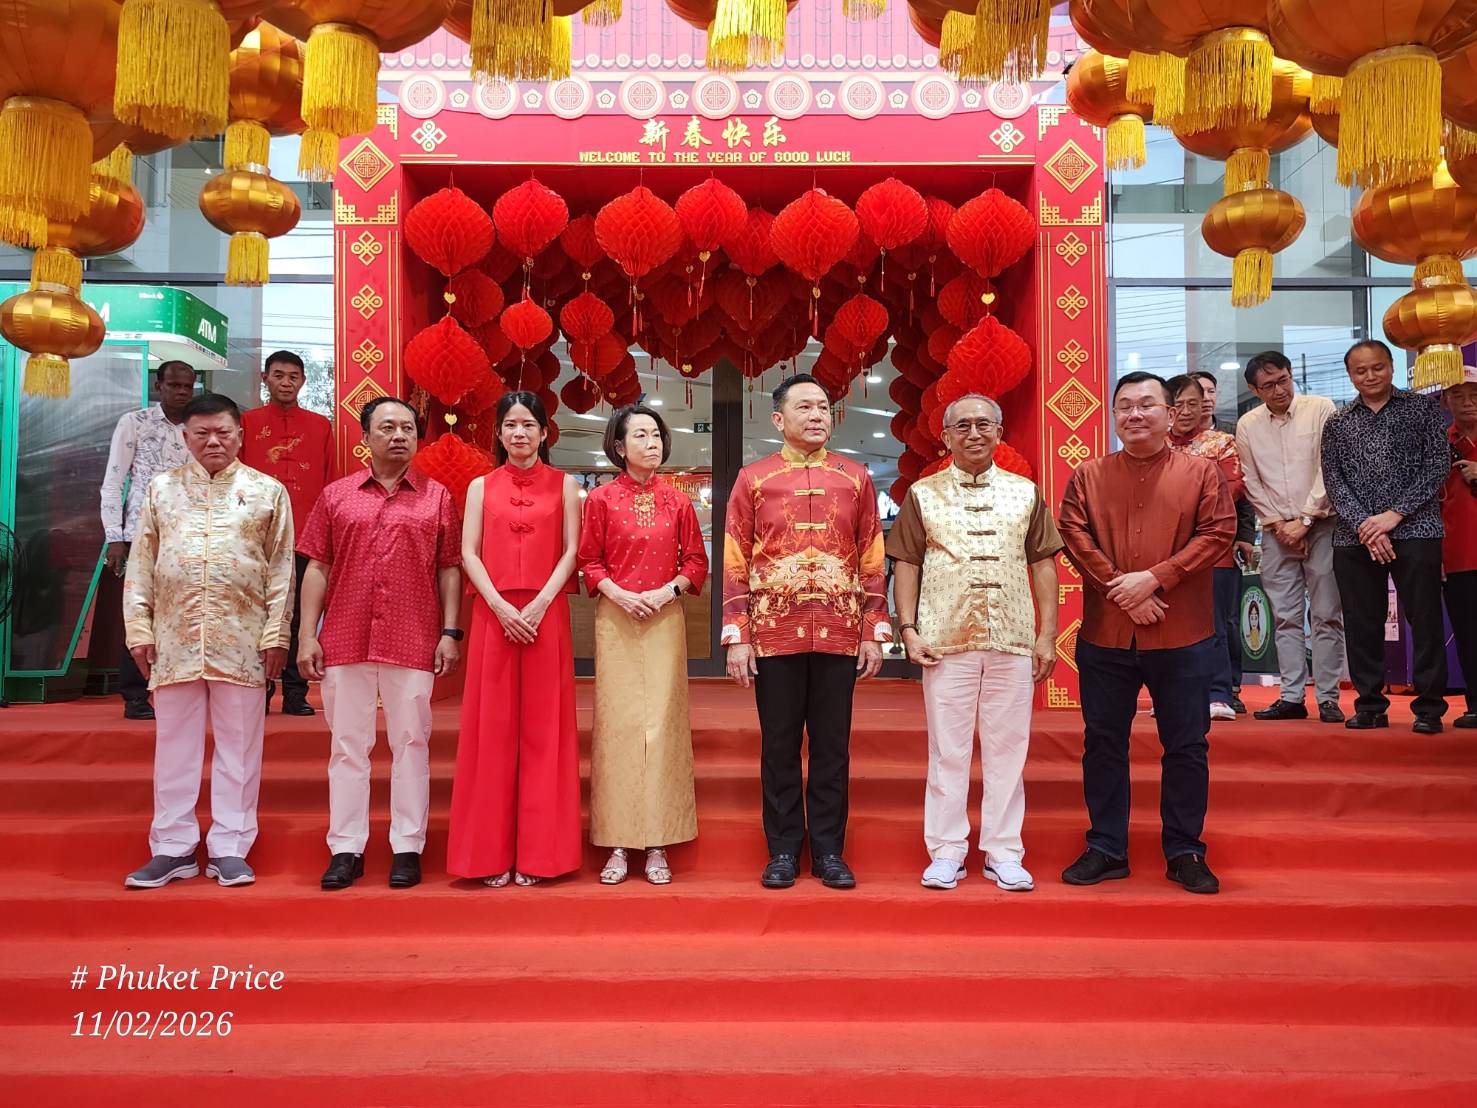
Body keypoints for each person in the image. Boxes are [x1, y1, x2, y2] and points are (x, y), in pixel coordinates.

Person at [1057, 371, 1236, 896]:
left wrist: (1155, 578)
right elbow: (1073, 534)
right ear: (1114, 415)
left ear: (1170, 413)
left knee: (1187, 745)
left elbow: (1219, 533)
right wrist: (1124, 589)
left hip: (1182, 633)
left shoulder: (1202, 473)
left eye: (1147, 404)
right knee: (1102, 743)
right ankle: (1106, 847)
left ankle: (1184, 851)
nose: (1135, 414)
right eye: (1125, 406)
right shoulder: (1088, 475)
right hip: (1106, 634)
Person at [886, 394, 1062, 893]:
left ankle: (1004, 851)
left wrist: (1046, 635)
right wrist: (908, 629)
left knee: (1009, 748)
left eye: (984, 424)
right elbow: (907, 564)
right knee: (948, 749)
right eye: (962, 426)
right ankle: (947, 850)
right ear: (946, 437)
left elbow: (1043, 564)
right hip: (945, 639)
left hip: (1012, 637)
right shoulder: (923, 494)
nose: (974, 433)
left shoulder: (1025, 493)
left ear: (999, 432)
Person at [723, 373, 891, 891]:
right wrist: (738, 635)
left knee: (832, 746)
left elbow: (872, 556)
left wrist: (873, 629)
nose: (817, 415)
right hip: (774, 632)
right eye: (805, 407)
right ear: (779, 419)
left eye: (823, 406)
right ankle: (781, 850)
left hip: (840, 631)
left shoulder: (855, 477)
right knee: (778, 745)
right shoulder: (754, 479)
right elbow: (735, 559)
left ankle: (829, 851)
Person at [121, 393, 294, 889]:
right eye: (202, 434)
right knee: (174, 746)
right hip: (173, 639)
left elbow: (281, 569)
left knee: (239, 747)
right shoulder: (161, 490)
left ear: (241, 434)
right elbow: (141, 564)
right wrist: (139, 628)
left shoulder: (267, 492)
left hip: (242, 640)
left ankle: (230, 847)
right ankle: (172, 847)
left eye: (223, 432)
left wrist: (276, 633)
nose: (213, 441)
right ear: (186, 437)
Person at [298, 397, 462, 891]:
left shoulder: (437, 497)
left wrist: (450, 632)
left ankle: (407, 846)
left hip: (413, 635)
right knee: (348, 746)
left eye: (408, 428)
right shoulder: (337, 496)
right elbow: (318, 567)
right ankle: (345, 849)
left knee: (411, 743)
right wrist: (307, 634)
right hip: (345, 635)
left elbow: (449, 568)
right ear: (365, 437)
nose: (399, 436)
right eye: (387, 427)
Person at [448, 391, 582, 887]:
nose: (519, 433)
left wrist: (541, 603)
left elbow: (572, 551)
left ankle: (541, 857)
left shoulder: (566, 485)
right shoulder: (480, 487)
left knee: (546, 733)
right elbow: (469, 552)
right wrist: (500, 606)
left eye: (528, 424)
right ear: (499, 433)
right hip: (494, 615)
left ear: (545, 433)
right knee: (492, 733)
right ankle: (487, 856)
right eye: (510, 425)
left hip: (547, 615)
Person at [578, 404, 709, 886]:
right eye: (640, 435)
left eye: (656, 435)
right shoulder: (600, 500)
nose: (651, 443)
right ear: (619, 446)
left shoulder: (678, 501)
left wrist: (665, 592)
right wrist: (620, 594)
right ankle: (617, 840)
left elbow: (695, 562)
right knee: (618, 727)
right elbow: (589, 562)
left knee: (664, 725)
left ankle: (658, 841)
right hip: (616, 617)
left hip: (664, 617)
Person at [1322, 340, 1449, 734]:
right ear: (1350, 375)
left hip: (1416, 528)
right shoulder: (1338, 422)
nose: (1370, 376)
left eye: (1377, 367)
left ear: (1391, 366)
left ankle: (1429, 708)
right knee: (1362, 622)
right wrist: (1366, 524)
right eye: (1360, 370)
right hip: (1355, 536)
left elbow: (1437, 465)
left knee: (1424, 618)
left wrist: (1395, 515)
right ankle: (1370, 705)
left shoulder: (1423, 408)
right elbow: (1333, 480)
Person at [1234, 350, 1344, 723]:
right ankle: (1292, 696)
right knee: (1285, 617)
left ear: (1291, 373)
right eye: (1268, 386)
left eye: (1283, 380)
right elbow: (1250, 479)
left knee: (1327, 614)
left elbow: (1330, 467)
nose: (1279, 390)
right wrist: (1280, 525)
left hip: (1323, 525)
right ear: (1254, 390)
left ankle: (1328, 698)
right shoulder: (1248, 424)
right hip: (1276, 531)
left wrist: (1306, 520)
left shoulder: (1321, 408)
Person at [100, 359, 197, 720]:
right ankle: (135, 696)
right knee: (139, 612)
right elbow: (113, 482)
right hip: (140, 534)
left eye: (187, 386)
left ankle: (180, 691)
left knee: (184, 612)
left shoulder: (199, 427)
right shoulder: (135, 422)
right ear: (159, 386)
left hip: (190, 535)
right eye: (174, 385)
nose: (182, 392)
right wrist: (114, 537)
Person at [241, 350, 334, 716]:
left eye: (293, 376)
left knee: (298, 614)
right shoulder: (247, 422)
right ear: (265, 378)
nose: (286, 382)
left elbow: (330, 480)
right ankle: (258, 690)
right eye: (278, 375)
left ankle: (295, 692)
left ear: (303, 381)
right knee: (256, 611)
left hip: (305, 533)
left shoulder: (319, 425)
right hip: (256, 535)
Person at [1167, 375, 1246, 722]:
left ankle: (1219, 692)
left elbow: (1231, 489)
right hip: (1164, 550)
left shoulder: (1222, 443)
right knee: (1170, 624)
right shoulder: (1155, 445)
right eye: (1177, 404)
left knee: (1214, 623)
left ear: (1204, 405)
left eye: (1192, 403)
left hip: (1213, 548)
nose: (1185, 411)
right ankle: (1172, 694)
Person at [1192, 368, 1257, 711]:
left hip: (1222, 539)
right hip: (1177, 544)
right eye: (1196, 393)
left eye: (1210, 391)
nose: (1205, 399)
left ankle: (1229, 686)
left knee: (1226, 619)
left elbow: (1243, 492)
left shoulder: (1230, 436)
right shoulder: (1166, 441)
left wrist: (1244, 535)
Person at [1443, 367, 1477, 729]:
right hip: (1458, 557)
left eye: (1475, 395)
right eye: (1458, 395)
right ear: (1445, 401)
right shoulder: (1440, 443)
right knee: (1469, 635)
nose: (1467, 402)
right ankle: (1475, 704)